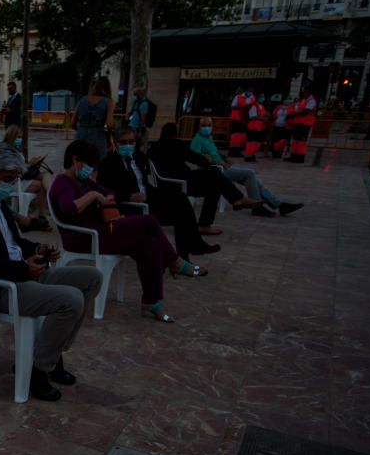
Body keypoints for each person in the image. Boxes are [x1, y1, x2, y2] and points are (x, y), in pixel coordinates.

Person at [0, 143, 103, 401]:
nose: (12, 185)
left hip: (20, 274)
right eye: (8, 179)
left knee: (91, 278)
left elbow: (14, 244)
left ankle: (49, 354)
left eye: (16, 178)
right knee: (70, 300)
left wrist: (39, 248)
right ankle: (37, 369)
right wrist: (21, 268)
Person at [50, 140, 209, 324]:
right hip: (85, 237)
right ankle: (175, 262)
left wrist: (104, 195)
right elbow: (68, 208)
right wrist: (93, 196)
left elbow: (109, 192)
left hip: (102, 230)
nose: (90, 170)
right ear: (75, 160)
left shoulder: (83, 180)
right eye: (88, 165)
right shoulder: (62, 183)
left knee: (150, 245)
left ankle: (152, 302)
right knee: (148, 221)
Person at [98, 127, 219, 259]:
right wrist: (130, 196)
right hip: (130, 206)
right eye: (123, 142)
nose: (128, 145)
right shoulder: (108, 163)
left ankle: (189, 251)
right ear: (115, 143)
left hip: (148, 199)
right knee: (180, 211)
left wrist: (162, 193)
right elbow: (104, 190)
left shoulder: (138, 157)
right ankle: (190, 250)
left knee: (181, 201)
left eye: (131, 142)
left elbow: (144, 183)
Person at [148, 122, 259, 234]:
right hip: (180, 183)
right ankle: (230, 204)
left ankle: (235, 200)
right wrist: (208, 164)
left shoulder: (153, 148)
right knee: (214, 178)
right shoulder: (177, 144)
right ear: (176, 133)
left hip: (165, 183)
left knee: (214, 181)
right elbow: (196, 158)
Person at [191, 117, 303, 218]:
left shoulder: (208, 138)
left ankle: (279, 205)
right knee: (250, 173)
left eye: (209, 125)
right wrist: (218, 163)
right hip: (214, 171)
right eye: (204, 125)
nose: (207, 128)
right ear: (199, 127)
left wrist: (224, 159)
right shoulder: (197, 140)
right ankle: (259, 207)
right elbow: (197, 159)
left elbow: (214, 153)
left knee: (253, 179)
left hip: (222, 167)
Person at [3, 124, 51, 230]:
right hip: (14, 182)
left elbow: (21, 167)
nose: (20, 140)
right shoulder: (7, 151)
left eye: (21, 137)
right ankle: (44, 213)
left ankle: (43, 214)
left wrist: (31, 163)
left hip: (21, 178)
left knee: (45, 176)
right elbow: (14, 169)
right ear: (11, 137)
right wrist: (29, 165)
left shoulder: (16, 150)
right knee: (41, 184)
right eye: (18, 137)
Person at [70, 77, 115, 159]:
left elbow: (72, 123)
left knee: (80, 164)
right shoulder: (108, 101)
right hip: (98, 137)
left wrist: (82, 129)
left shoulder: (82, 100)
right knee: (98, 165)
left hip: (80, 136)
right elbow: (109, 124)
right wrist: (109, 136)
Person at [287, 89, 317, 164]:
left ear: (308, 93)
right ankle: (294, 155)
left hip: (305, 123)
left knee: (301, 141)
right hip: (298, 123)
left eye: (304, 93)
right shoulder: (304, 100)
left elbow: (305, 112)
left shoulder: (311, 101)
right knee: (296, 140)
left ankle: (300, 157)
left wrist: (294, 114)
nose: (302, 94)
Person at [227, 87, 255, 158]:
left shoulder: (252, 98)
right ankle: (232, 151)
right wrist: (242, 107)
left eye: (251, 91)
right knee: (235, 135)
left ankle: (238, 151)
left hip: (245, 119)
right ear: (246, 91)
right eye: (249, 91)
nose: (250, 92)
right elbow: (233, 106)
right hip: (236, 118)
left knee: (242, 136)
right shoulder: (238, 97)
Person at [244, 96, 267, 162]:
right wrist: (263, 118)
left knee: (257, 143)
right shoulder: (254, 106)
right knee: (251, 142)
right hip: (253, 127)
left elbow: (264, 115)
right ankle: (248, 156)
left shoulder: (262, 107)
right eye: (261, 96)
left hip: (260, 127)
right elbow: (252, 116)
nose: (263, 98)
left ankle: (252, 155)